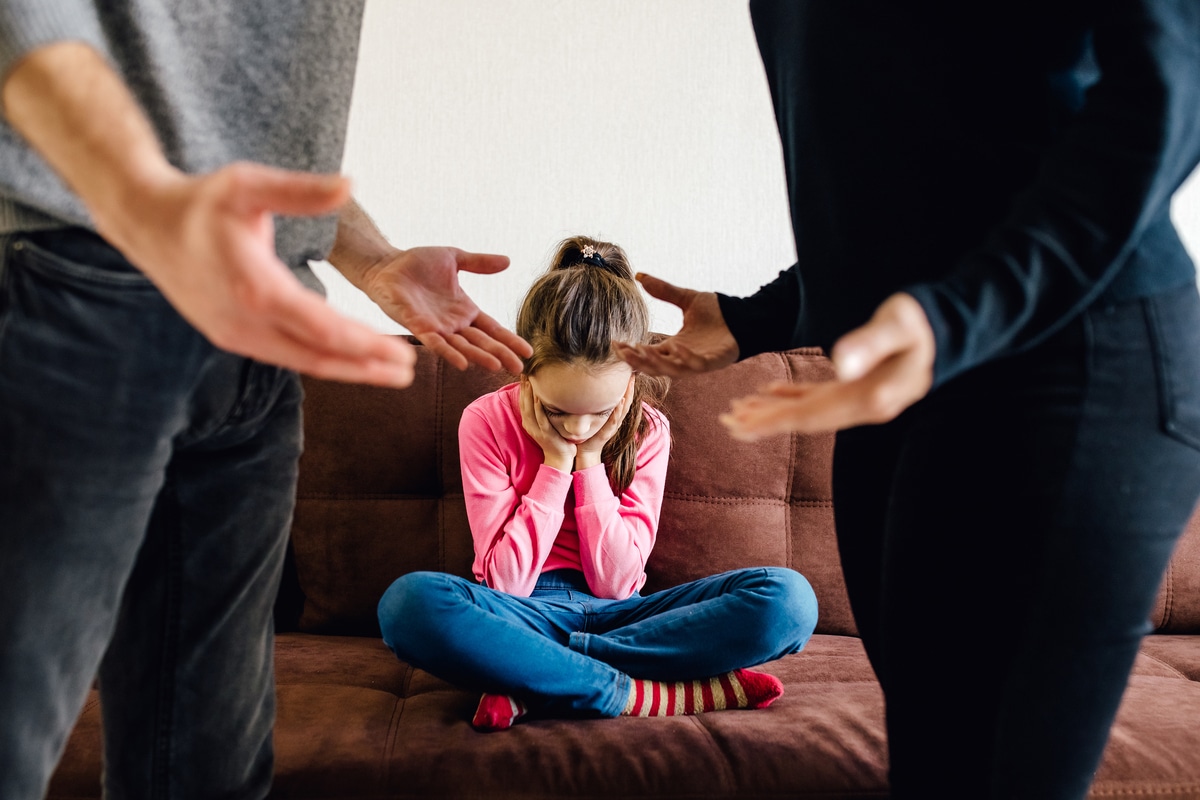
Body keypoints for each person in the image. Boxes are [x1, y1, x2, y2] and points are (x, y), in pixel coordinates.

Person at [617, 2, 1200, 798]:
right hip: (914, 381)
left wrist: (958, 317)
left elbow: (1171, 89)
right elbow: (911, 153)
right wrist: (767, 314)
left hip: (1073, 356)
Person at [0, 6, 530, 799]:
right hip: (84, 281)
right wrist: (146, 197)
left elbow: (226, 116)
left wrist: (372, 258)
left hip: (261, 312)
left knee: (208, 769)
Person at [377, 236, 818, 731]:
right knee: (408, 604)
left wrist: (588, 465)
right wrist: (555, 463)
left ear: (632, 379)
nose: (579, 429)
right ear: (526, 373)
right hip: (522, 616)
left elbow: (615, 581)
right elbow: (506, 582)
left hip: (627, 618)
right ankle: (634, 691)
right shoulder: (485, 420)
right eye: (557, 410)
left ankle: (538, 681)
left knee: (788, 600)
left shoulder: (648, 429)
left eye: (600, 413)